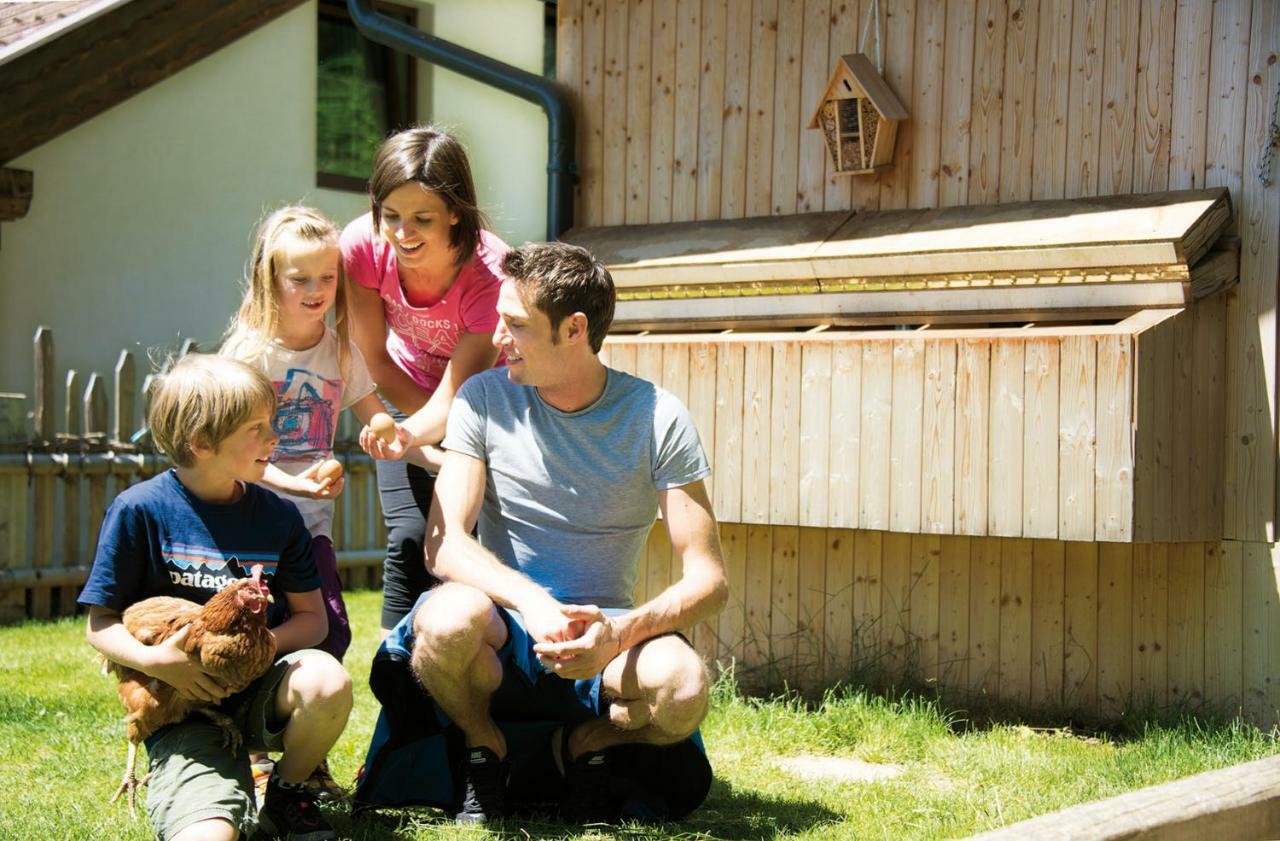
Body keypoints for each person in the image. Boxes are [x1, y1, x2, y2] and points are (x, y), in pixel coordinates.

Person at [391, 241, 729, 824]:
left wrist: (618, 632)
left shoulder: (657, 416)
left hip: (607, 640)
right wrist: (533, 600)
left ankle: (586, 746)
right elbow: (443, 544)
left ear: (574, 329)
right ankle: (484, 746)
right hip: (501, 626)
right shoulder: (482, 399)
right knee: (445, 620)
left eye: (516, 325)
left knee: (683, 689)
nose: (498, 338)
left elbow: (711, 579)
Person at [79, 354, 353, 841]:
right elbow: (100, 624)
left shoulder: (279, 515)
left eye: (271, 423)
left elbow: (313, 620)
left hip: (262, 688)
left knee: (327, 681)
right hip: (181, 699)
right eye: (257, 428)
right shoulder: (140, 511)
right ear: (201, 443)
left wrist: (248, 652)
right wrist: (159, 662)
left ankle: (286, 793)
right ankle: (205, 785)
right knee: (208, 836)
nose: (274, 438)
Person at [220, 205, 403, 802]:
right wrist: (295, 483)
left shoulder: (339, 350)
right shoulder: (249, 355)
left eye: (328, 278)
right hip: (249, 525)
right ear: (269, 280)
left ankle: (305, 756)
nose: (317, 291)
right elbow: (234, 453)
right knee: (250, 636)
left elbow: (369, 408)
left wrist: (382, 431)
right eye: (300, 279)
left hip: (311, 528)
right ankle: (247, 754)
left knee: (329, 631)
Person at [341, 125, 507, 634]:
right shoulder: (362, 249)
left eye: (422, 219)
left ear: (455, 211)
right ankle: (397, 676)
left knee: (469, 540)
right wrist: (411, 437)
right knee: (412, 537)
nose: (401, 233)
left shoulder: (489, 274)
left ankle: (472, 665)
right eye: (390, 216)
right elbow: (373, 358)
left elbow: (460, 394)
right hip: (403, 391)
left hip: (484, 409)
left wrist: (423, 439)